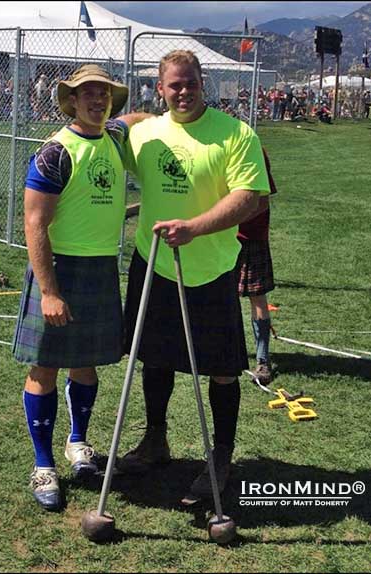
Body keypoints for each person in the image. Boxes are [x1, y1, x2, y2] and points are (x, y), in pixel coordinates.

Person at [116, 50, 270, 504]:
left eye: (191, 83)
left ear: (203, 83)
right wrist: (122, 121)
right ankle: (156, 440)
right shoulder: (145, 134)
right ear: (160, 89)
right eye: (174, 85)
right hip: (154, 261)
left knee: (223, 368)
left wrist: (195, 228)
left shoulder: (236, 134)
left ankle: (220, 455)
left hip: (211, 268)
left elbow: (251, 198)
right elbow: (112, 134)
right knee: (153, 356)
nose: (184, 92)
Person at [12, 64, 135, 512]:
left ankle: (78, 444)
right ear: (71, 100)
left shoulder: (114, 138)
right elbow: (34, 223)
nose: (97, 101)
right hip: (59, 270)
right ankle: (44, 464)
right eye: (88, 94)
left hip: (100, 268)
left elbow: (136, 120)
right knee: (44, 367)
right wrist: (48, 290)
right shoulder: (54, 153)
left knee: (85, 364)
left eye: (104, 94)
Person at [236, 149, 277, 385]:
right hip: (221, 239)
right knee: (219, 296)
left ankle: (262, 360)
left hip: (251, 237)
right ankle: (223, 351)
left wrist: (228, 218)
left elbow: (262, 202)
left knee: (258, 297)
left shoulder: (254, 152)